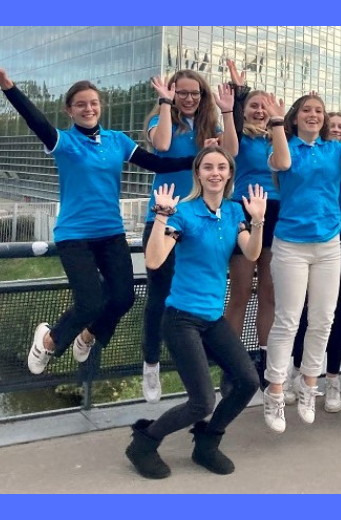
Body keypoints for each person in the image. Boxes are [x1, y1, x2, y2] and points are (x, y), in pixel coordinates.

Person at [0, 49, 198, 385]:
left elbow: (159, 165)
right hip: (74, 235)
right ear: (69, 110)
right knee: (91, 300)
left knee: (123, 297)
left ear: (100, 107)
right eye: (81, 104)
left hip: (111, 232)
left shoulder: (117, 141)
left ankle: (88, 336)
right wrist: (7, 86)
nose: (88, 108)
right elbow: (36, 121)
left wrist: (205, 155)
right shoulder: (64, 142)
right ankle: (49, 341)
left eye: (93, 103)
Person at [124, 146, 266, 480]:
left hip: (212, 318)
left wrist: (257, 220)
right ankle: (143, 443)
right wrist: (160, 217)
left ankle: (207, 444)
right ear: (198, 174)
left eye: (221, 167)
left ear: (230, 173)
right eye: (207, 167)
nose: (215, 172)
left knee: (247, 381)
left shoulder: (234, 212)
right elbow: (155, 260)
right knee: (201, 401)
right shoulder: (183, 214)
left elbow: (251, 252)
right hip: (181, 318)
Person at [263, 95, 341, 428]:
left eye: (319, 111)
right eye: (306, 111)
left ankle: (310, 384)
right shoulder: (285, 148)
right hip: (291, 245)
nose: (314, 115)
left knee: (324, 319)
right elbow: (282, 163)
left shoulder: (336, 151)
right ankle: (274, 392)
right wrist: (276, 121)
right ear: (295, 118)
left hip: (328, 245)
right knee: (288, 319)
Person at [138, 71, 240, 401]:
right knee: (159, 296)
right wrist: (165, 103)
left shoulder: (210, 122)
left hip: (201, 222)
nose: (189, 98)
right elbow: (163, 144)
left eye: (194, 92)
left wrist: (226, 112)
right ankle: (151, 364)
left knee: (202, 296)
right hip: (166, 216)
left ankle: (197, 373)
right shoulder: (161, 118)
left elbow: (231, 153)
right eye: (182, 92)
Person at [222, 65, 289, 394]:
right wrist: (239, 93)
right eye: (254, 105)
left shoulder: (279, 136)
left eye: (265, 105)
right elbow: (230, 135)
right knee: (240, 293)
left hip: (277, 212)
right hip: (244, 211)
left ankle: (264, 360)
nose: (259, 110)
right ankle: (231, 363)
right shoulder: (238, 135)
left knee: (269, 294)